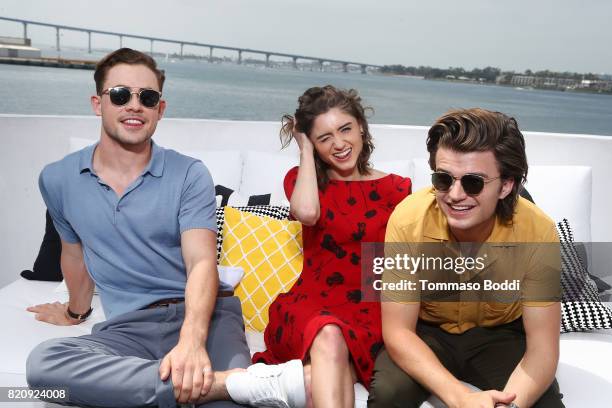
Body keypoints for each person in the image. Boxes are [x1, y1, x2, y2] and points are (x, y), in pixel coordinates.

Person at [25, 47, 305, 408]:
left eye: (148, 97)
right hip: (128, 329)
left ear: (160, 109)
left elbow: (201, 263)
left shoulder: (188, 173)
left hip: (207, 317)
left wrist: (191, 342)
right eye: (121, 95)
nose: (134, 105)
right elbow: (75, 256)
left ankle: (198, 386)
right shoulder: (58, 179)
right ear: (98, 104)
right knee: (43, 368)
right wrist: (74, 313)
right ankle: (230, 383)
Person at [368, 108, 564, 408]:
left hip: (500, 336)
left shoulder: (539, 232)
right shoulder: (408, 220)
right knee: (387, 395)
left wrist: (509, 406)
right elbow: (397, 331)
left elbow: (543, 349)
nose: (455, 195)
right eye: (444, 179)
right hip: (427, 333)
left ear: (507, 185)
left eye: (473, 182)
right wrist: (461, 398)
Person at [250, 85, 412, 408]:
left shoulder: (397, 189)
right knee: (328, 333)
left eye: (345, 129)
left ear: (361, 128)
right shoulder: (302, 179)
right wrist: (305, 152)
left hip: (370, 312)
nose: (338, 144)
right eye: (324, 138)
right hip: (311, 306)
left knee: (319, 375)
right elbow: (307, 213)